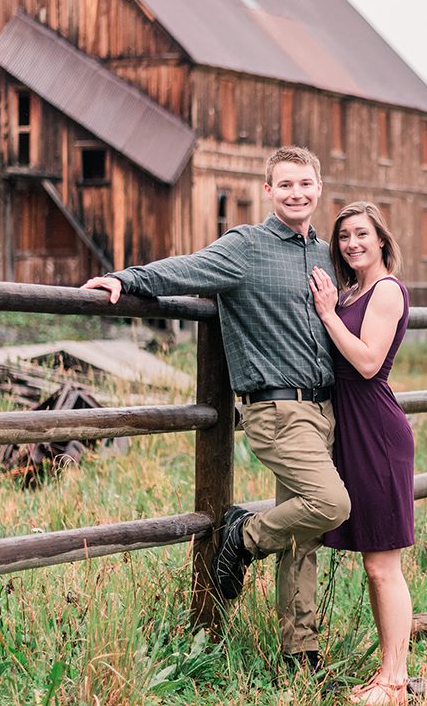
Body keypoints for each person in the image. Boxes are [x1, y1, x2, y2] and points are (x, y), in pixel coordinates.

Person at [80, 145, 348, 670]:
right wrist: (126, 278)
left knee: (306, 536)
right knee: (330, 504)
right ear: (268, 192)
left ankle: (301, 652)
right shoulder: (245, 247)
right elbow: (187, 268)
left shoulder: (327, 254)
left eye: (305, 183)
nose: (296, 193)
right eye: (285, 185)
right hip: (274, 408)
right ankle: (244, 535)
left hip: (323, 410)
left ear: (319, 188)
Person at [307, 202, 415, 706]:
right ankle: (386, 673)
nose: (352, 244)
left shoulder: (387, 291)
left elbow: (369, 362)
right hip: (353, 430)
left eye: (361, 235)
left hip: (377, 431)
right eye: (344, 237)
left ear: (381, 240)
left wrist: (328, 314)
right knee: (374, 562)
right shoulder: (353, 291)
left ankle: (395, 680)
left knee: (383, 564)